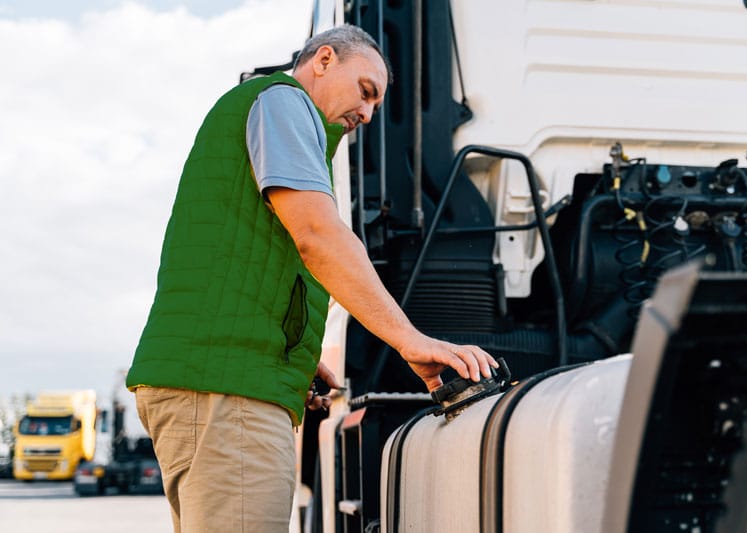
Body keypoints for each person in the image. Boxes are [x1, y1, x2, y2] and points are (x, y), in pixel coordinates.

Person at [127, 24, 497, 532]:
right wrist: (410, 341)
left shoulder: (268, 116)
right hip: (226, 393)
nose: (367, 114)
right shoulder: (284, 101)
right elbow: (317, 237)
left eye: (376, 106)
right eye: (365, 91)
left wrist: (294, 354)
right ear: (323, 60)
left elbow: (253, 258)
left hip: (214, 386)